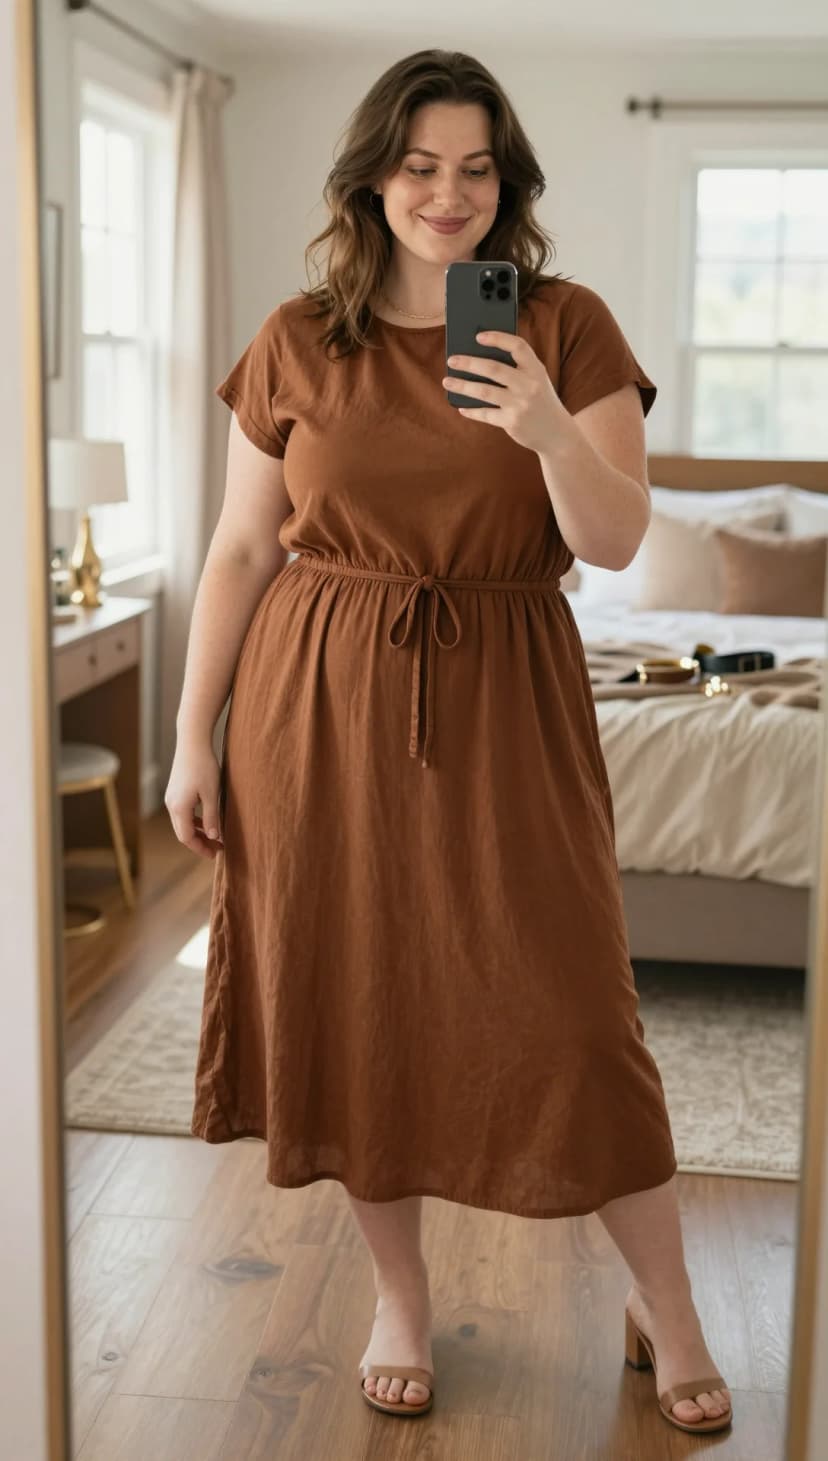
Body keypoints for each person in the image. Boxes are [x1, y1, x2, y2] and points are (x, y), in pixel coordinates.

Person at [166, 47, 732, 1437]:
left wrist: (542, 423)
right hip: (317, 708)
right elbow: (242, 549)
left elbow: (608, 539)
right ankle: (402, 1299)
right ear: (374, 174)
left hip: (509, 696)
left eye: (476, 167)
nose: (448, 193)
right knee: (364, 1008)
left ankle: (670, 1305)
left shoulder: (567, 325)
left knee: (578, 1013)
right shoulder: (301, 337)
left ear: (506, 181)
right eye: (421, 165)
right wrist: (194, 737)